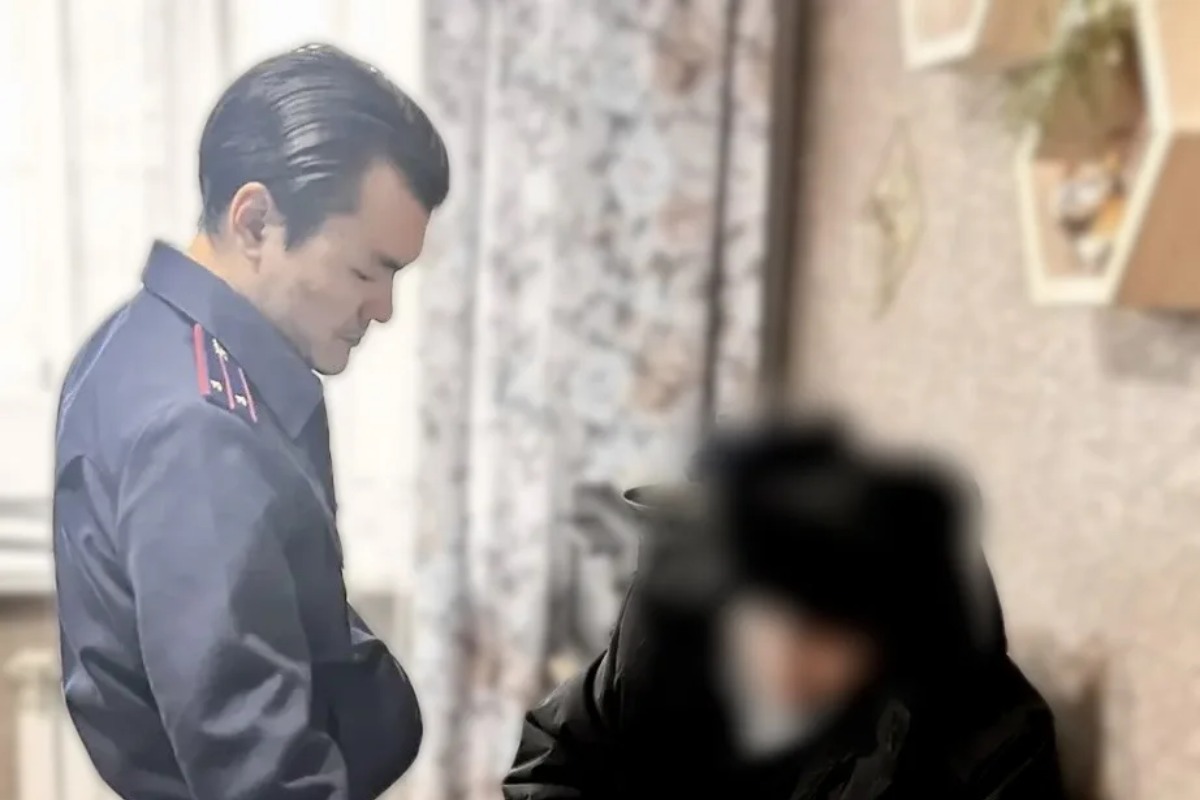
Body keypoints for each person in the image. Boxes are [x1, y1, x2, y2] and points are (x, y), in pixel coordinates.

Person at [53, 44, 449, 800]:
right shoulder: (200, 429)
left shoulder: (146, 340)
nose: (384, 309)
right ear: (257, 221)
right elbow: (258, 772)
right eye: (366, 271)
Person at [504, 419, 1068, 800]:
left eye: (819, 631)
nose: (781, 654)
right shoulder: (670, 639)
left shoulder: (999, 742)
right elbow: (553, 754)